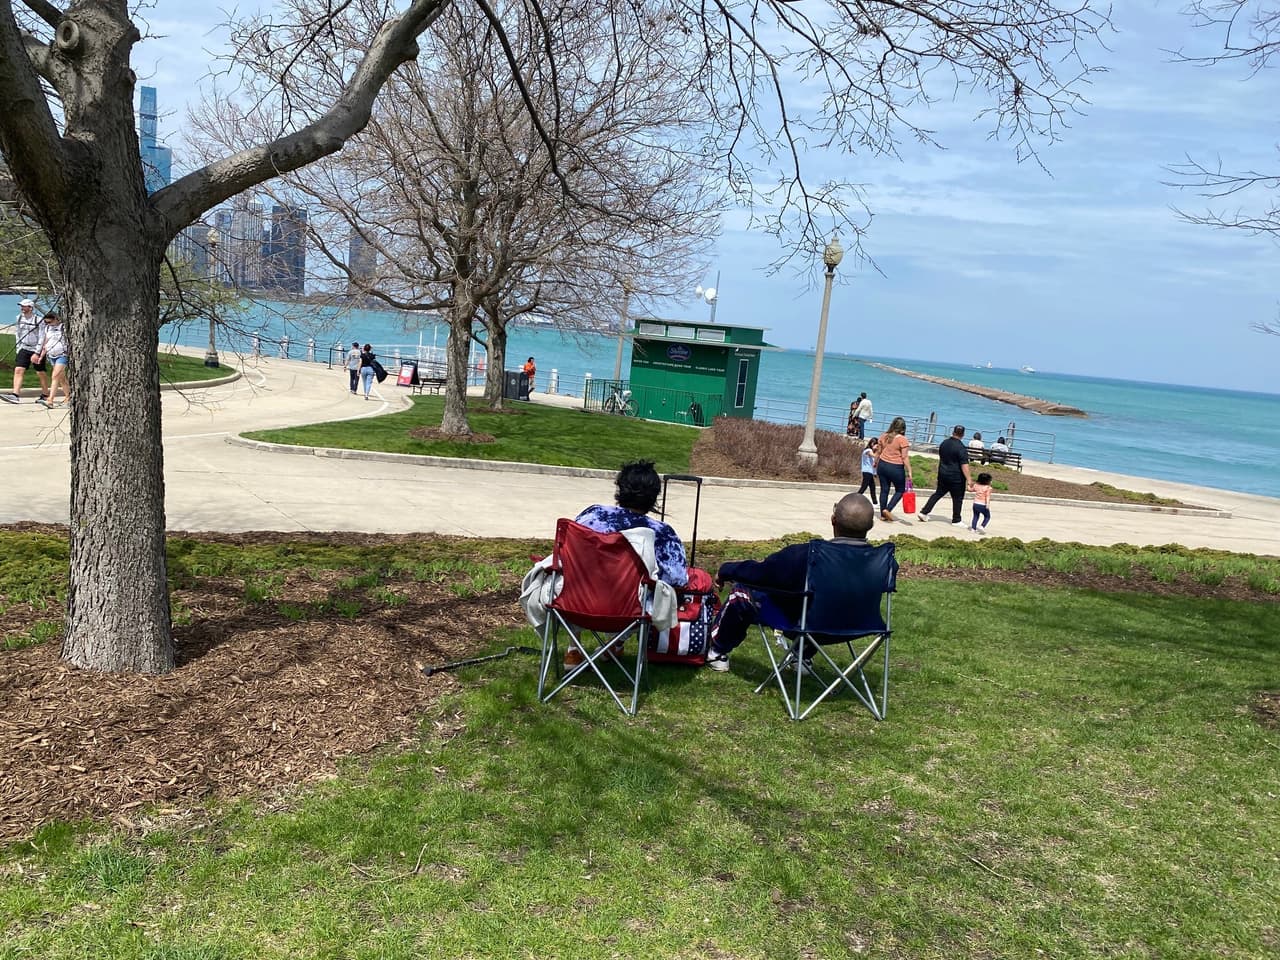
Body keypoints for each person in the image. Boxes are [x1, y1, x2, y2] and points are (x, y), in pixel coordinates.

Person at [704, 494, 876, 673]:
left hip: (807, 625)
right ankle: (802, 657)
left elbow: (760, 574)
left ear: (833, 520)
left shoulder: (807, 555)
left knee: (741, 592)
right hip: (858, 626)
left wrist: (726, 570)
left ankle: (717, 652)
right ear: (871, 526)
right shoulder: (882, 562)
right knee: (821, 602)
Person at [574, 460, 688, 588]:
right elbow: (677, 579)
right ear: (654, 496)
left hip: (578, 598)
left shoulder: (592, 515)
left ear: (620, 489)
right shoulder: (662, 533)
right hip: (632, 604)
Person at [918, 424, 972, 526]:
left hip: (943, 473)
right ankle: (956, 519)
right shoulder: (961, 448)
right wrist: (969, 479)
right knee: (957, 498)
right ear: (963, 434)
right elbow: (964, 465)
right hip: (956, 477)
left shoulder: (944, 443)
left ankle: (924, 512)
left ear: (953, 432)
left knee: (938, 494)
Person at [4, 298, 49, 404]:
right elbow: (18, 333)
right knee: (18, 370)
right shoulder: (18, 318)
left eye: (24, 306)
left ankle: (46, 394)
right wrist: (18, 347)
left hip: (36, 349)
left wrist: (37, 352)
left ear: (30, 308)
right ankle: (15, 394)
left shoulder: (38, 320)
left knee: (40, 372)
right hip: (24, 348)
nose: (22, 308)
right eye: (21, 306)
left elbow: (42, 336)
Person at [873, 416, 912, 522]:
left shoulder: (884, 436)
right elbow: (904, 457)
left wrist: (875, 464)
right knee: (900, 490)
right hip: (895, 467)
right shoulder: (902, 440)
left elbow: (878, 452)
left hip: (882, 465)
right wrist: (909, 471)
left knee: (884, 490)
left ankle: (882, 514)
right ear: (903, 428)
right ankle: (888, 509)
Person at [34, 312, 69, 407]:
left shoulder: (63, 327)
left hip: (62, 354)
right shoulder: (47, 328)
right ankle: (68, 397)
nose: (48, 324)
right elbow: (46, 343)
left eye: (50, 322)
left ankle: (50, 400)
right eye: (46, 322)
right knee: (61, 378)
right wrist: (41, 356)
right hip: (51, 355)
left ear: (56, 319)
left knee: (55, 376)